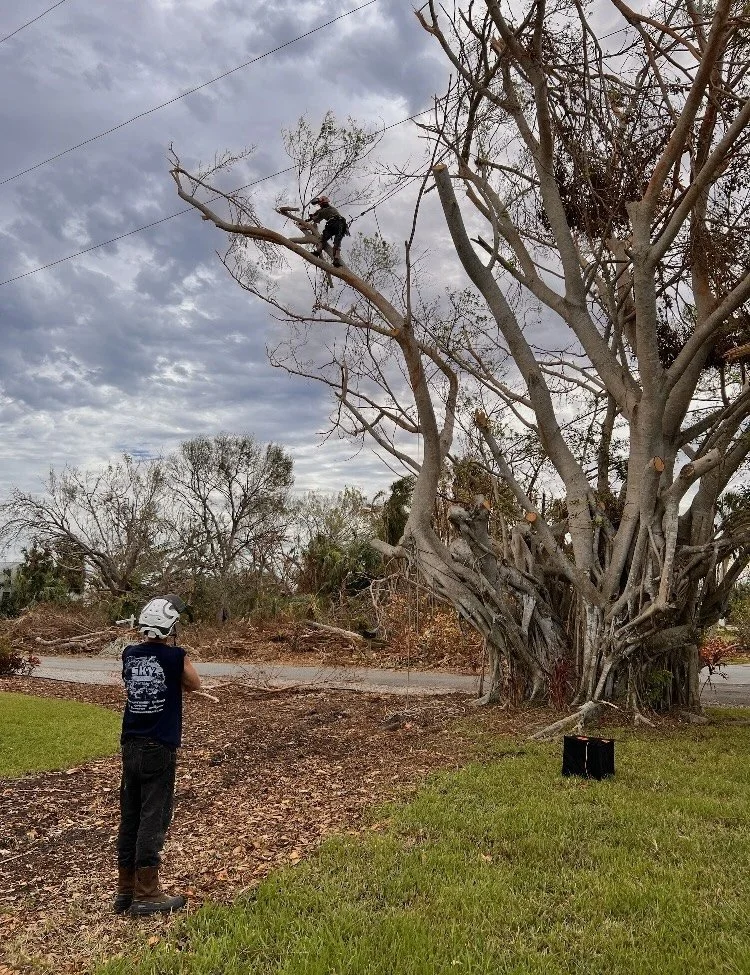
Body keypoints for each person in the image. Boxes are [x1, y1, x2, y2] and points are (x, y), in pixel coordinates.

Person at [114, 593, 201, 917]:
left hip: (131, 745)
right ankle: (147, 893)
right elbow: (194, 683)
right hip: (159, 747)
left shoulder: (128, 654)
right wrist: (178, 654)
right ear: (169, 628)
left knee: (131, 817)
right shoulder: (175, 657)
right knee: (154, 817)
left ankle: (125, 890)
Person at [308, 195, 349, 267]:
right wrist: (311, 218)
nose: (321, 204)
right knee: (327, 239)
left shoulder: (322, 211)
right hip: (336, 224)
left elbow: (316, 219)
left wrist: (312, 218)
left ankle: (335, 259)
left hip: (338, 224)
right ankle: (319, 252)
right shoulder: (325, 209)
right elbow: (316, 217)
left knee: (335, 241)